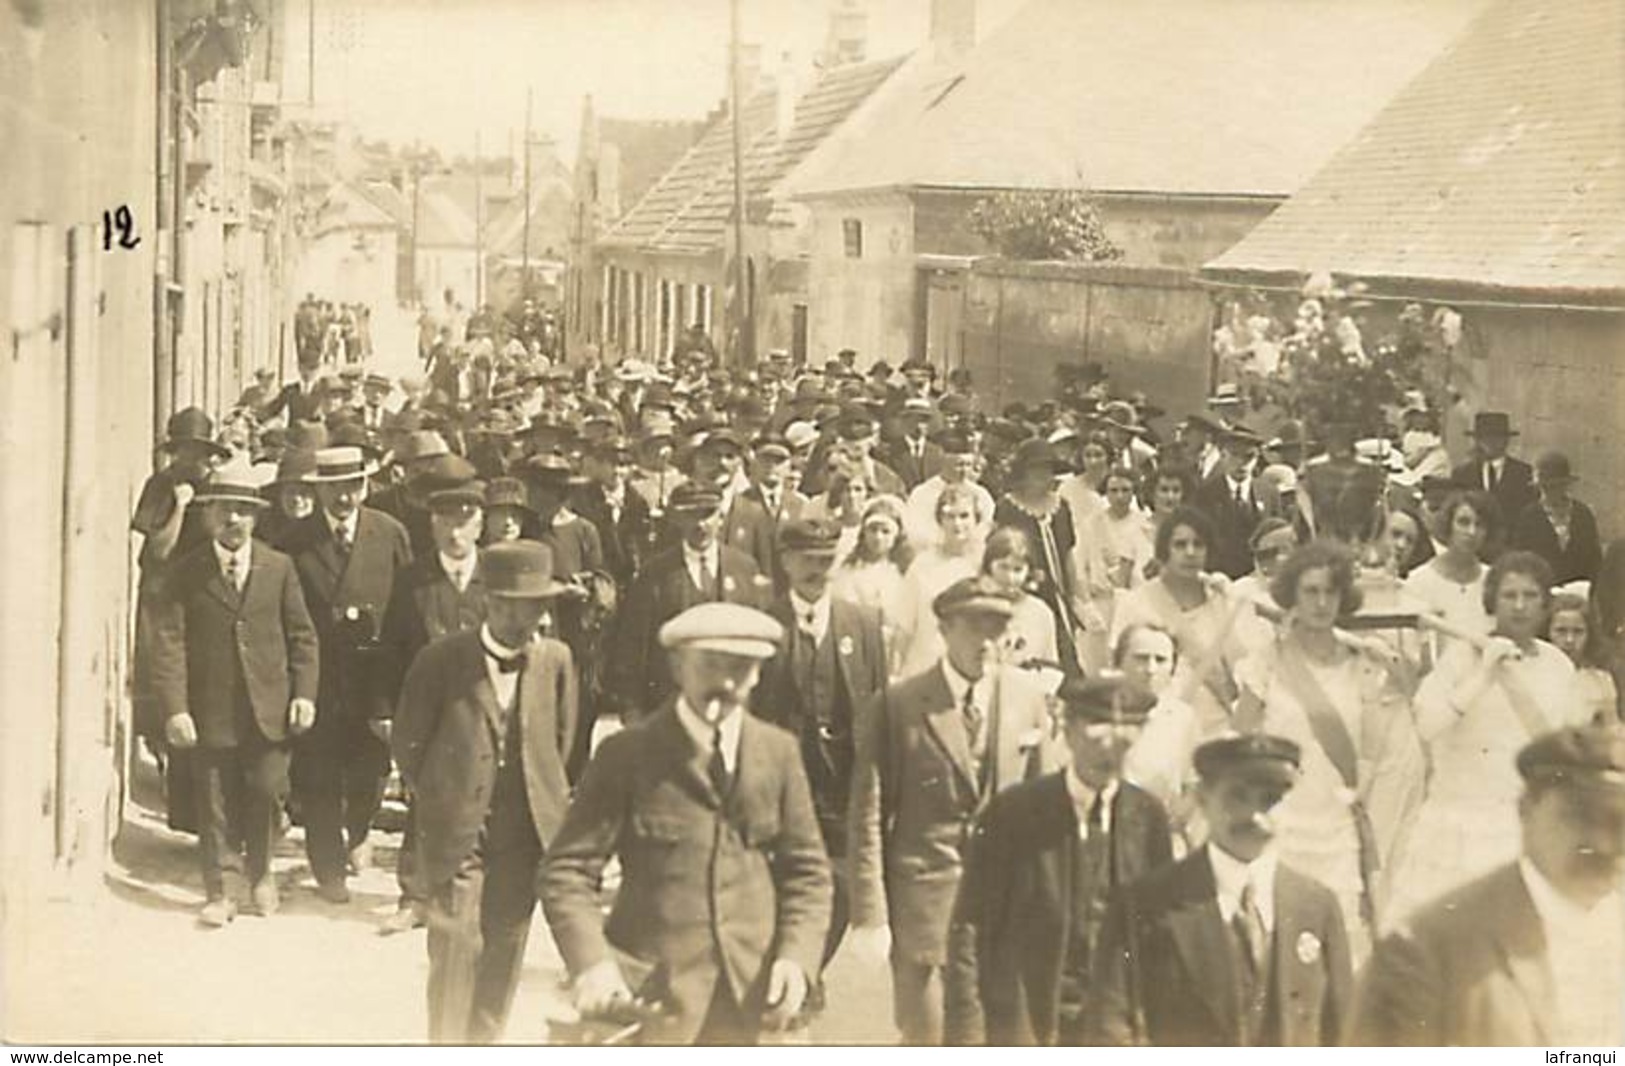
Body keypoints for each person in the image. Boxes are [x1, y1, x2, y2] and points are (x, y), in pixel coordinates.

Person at [541, 603, 833, 1045]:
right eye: (711, 665)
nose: (726, 682)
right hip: (654, 1002)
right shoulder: (627, 755)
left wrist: (796, 958)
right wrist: (593, 963)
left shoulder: (779, 753)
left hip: (756, 999)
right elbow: (566, 872)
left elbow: (808, 873)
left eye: (741, 667)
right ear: (678, 667)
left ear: (758, 674)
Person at [847, 576, 1064, 1045]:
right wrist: (870, 914)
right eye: (973, 628)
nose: (987, 641)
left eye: (997, 627)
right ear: (943, 630)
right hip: (925, 904)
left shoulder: (1027, 698)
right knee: (930, 1035)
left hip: (1006, 905)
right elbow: (868, 814)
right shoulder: (899, 705)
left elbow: (1045, 807)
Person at [390, 540, 576, 1043]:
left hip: (525, 828)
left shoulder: (557, 660)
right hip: (457, 829)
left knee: (505, 947)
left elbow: (560, 740)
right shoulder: (441, 659)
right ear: (493, 603)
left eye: (541, 605)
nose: (534, 618)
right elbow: (408, 742)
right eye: (522, 606)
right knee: (454, 946)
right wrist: (442, 795)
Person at [1352, 725, 1625, 1046]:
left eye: (1621, 823)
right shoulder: (1428, 951)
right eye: (1582, 818)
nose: (1605, 844)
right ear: (1527, 811)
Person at [943, 676, 1174, 1045]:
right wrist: (967, 1037)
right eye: (1095, 740)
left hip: (1114, 1029)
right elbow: (968, 929)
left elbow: (1162, 936)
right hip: (1026, 1025)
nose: (1107, 756)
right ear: (1067, 733)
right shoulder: (1013, 814)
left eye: (1121, 746)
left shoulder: (1148, 818)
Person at [1084, 734, 1354, 1046]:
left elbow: (1346, 1032)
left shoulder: (1315, 906)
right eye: (1237, 797)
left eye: (1270, 800)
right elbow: (1110, 1030)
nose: (1254, 817)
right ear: (1202, 798)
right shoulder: (1145, 906)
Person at [1232, 541, 1425, 958]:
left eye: (1330, 592)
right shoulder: (1266, 662)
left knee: (1342, 942)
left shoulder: (1363, 663)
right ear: (1292, 597)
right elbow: (1239, 740)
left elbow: (1376, 748)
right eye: (1310, 591)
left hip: (1338, 824)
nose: (1321, 602)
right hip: (1279, 820)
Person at [149, 458, 319, 925]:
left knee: (266, 790)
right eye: (224, 509)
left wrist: (304, 693)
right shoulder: (186, 573)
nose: (233, 520)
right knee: (215, 799)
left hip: (270, 704)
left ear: (257, 516)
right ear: (207, 515)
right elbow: (169, 642)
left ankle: (261, 873)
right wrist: (175, 708)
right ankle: (221, 889)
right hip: (210, 707)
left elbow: (302, 635)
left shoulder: (278, 566)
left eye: (243, 510)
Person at [1387, 551, 1591, 922]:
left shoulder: (1556, 664)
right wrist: (1482, 673)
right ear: (1492, 600)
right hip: (1461, 821)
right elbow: (1425, 726)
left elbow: (1566, 744)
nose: (1519, 606)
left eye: (1530, 596)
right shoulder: (1463, 656)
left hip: (1527, 820)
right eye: (1509, 595)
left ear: (1545, 604)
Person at [752, 519, 888, 1002]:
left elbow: (878, 701)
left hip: (842, 784)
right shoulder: (764, 625)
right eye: (807, 559)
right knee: (782, 883)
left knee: (843, 888)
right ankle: (790, 977)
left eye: (826, 560)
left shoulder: (864, 624)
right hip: (781, 785)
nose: (817, 569)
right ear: (786, 562)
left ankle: (806, 968)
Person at [285, 445, 413, 902]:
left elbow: (406, 607)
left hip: (374, 674)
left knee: (372, 770)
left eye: (353, 487)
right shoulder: (293, 538)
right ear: (320, 491)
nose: (344, 497)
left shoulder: (390, 533)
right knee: (317, 773)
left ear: (365, 486)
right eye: (335, 488)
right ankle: (328, 868)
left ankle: (359, 828)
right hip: (317, 674)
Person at [373, 482, 492, 936]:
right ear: (432, 525)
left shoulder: (495, 576)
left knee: (484, 798)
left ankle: (473, 896)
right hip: (428, 708)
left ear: (479, 525)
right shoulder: (413, 579)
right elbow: (392, 648)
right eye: (445, 522)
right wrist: (385, 706)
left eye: (464, 522)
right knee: (423, 796)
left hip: (484, 703)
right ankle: (415, 896)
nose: (455, 532)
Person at [610, 483, 770, 719]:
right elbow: (634, 645)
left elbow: (758, 639)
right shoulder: (655, 573)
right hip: (671, 707)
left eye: (707, 514)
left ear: (721, 516)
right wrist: (632, 707)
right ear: (677, 519)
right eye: (691, 515)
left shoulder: (744, 568)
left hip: (732, 702)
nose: (700, 524)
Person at [1111, 506, 1249, 740]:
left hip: (1218, 729)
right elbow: (1119, 671)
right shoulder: (1136, 603)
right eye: (1180, 544)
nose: (1190, 552)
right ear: (1165, 550)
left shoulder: (1223, 601)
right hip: (1159, 731)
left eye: (1199, 544)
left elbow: (1244, 667)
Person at [994, 439, 1084, 668]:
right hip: (1023, 592)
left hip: (1058, 596)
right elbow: (999, 553)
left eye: (1047, 470)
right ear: (1023, 473)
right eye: (1036, 470)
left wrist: (1075, 598)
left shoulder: (1061, 507)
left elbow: (1068, 555)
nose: (1043, 477)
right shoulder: (1008, 508)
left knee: (1065, 661)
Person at [893, 485, 986, 679]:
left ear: (976, 519)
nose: (957, 524)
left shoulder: (986, 566)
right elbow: (903, 629)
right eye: (950, 516)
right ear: (940, 521)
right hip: (926, 669)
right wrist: (894, 675)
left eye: (964, 516)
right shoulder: (922, 565)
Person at [1403, 490, 1496, 657]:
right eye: (1463, 522)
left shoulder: (1494, 580)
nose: (1471, 531)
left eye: (1480, 524)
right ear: (1448, 524)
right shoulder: (1419, 581)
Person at [829, 496, 912, 660]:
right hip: (857, 647)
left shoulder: (904, 573)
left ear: (896, 536)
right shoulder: (849, 570)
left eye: (885, 531)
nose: (878, 537)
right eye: (873, 530)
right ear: (863, 533)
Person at [1509, 451, 1602, 586]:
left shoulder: (1583, 514)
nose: (1550, 492)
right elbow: (1521, 561)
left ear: (1566, 485)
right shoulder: (1529, 517)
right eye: (1545, 487)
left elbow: (1595, 559)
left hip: (1579, 592)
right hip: (1542, 590)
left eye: (1557, 486)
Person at [980, 527, 1060, 668]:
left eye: (1017, 570)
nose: (1010, 578)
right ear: (989, 566)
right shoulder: (976, 608)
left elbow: (1049, 666)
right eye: (1003, 567)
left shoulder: (1041, 612)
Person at [903, 429, 994, 550]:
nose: (964, 471)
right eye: (959, 465)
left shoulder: (981, 494)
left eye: (968, 465)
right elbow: (915, 531)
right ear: (944, 461)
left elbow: (986, 528)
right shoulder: (923, 493)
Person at [1450, 411, 1536, 525]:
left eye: (1497, 437)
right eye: (1484, 438)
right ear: (1477, 441)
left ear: (1506, 440)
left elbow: (1528, 514)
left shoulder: (1523, 472)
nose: (1490, 442)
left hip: (1513, 539)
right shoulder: (1462, 474)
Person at [1547, 590, 1620, 724]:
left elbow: (1611, 727)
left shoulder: (1601, 681)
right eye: (1561, 631)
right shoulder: (1536, 673)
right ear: (1548, 632)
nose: (1569, 640)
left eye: (1578, 632)